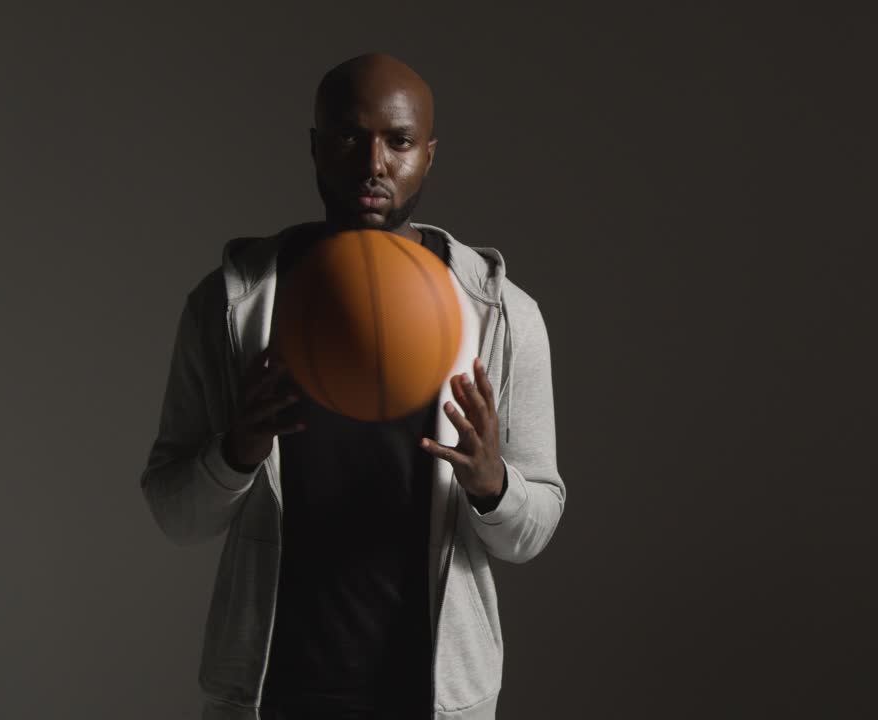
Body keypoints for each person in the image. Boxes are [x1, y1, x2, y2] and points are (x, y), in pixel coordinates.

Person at [139, 52, 566, 720]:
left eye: (398, 141)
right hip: (272, 693)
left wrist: (493, 486)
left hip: (432, 699)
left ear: (429, 154)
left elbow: (533, 529)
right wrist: (237, 452)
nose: (373, 163)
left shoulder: (500, 314)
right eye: (348, 135)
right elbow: (176, 513)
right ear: (315, 146)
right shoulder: (229, 305)